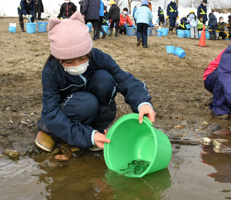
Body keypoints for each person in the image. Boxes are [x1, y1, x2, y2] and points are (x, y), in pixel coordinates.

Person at [35, 11, 155, 153]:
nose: (77, 65)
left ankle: (95, 131)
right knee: (86, 103)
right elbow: (51, 111)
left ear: (88, 51)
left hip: (92, 105)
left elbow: (124, 79)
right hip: (73, 108)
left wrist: (142, 103)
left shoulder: (98, 56)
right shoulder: (51, 70)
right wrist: (87, 137)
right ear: (58, 58)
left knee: (105, 79)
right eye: (68, 62)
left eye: (82, 58)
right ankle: (48, 131)